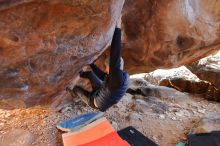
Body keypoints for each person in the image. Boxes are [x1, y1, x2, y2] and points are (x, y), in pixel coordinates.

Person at [67, 16, 129, 112]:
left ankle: (72, 92)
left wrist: (118, 28)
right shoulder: (120, 77)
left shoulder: (117, 79)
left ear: (113, 68)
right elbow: (103, 76)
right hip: (101, 91)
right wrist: (92, 65)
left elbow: (115, 55)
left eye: (107, 67)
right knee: (90, 74)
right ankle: (80, 74)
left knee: (76, 88)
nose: (105, 69)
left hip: (96, 102)